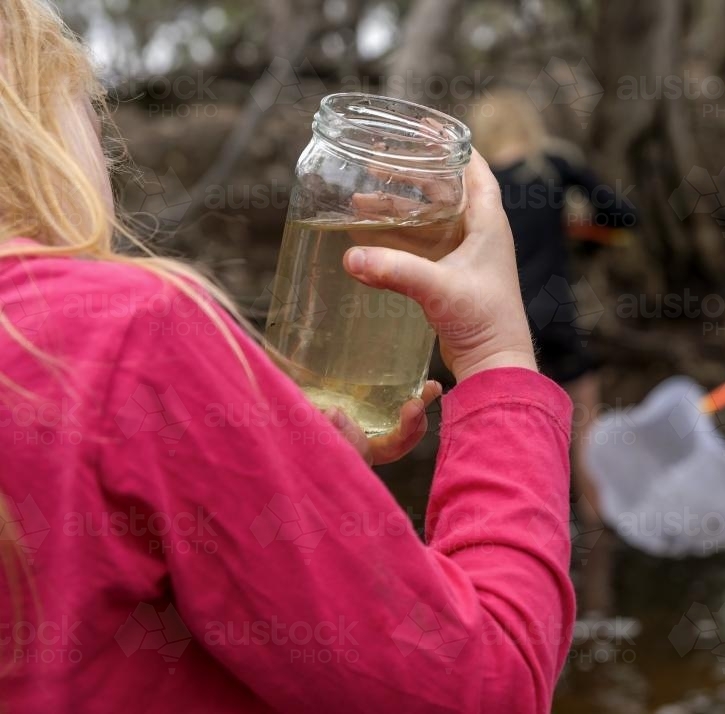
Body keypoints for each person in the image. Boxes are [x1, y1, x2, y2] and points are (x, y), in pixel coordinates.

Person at [0, 1, 575, 711]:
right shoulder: (130, 337)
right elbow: (492, 684)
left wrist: (270, 465)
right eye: (88, 103)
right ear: (36, 132)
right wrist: (496, 356)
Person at [468, 90, 638, 618]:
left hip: (495, 326)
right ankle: (596, 539)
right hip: (554, 317)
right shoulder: (554, 166)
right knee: (582, 421)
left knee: (507, 430)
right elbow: (621, 215)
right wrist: (582, 239)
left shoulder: (478, 182)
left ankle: (515, 550)